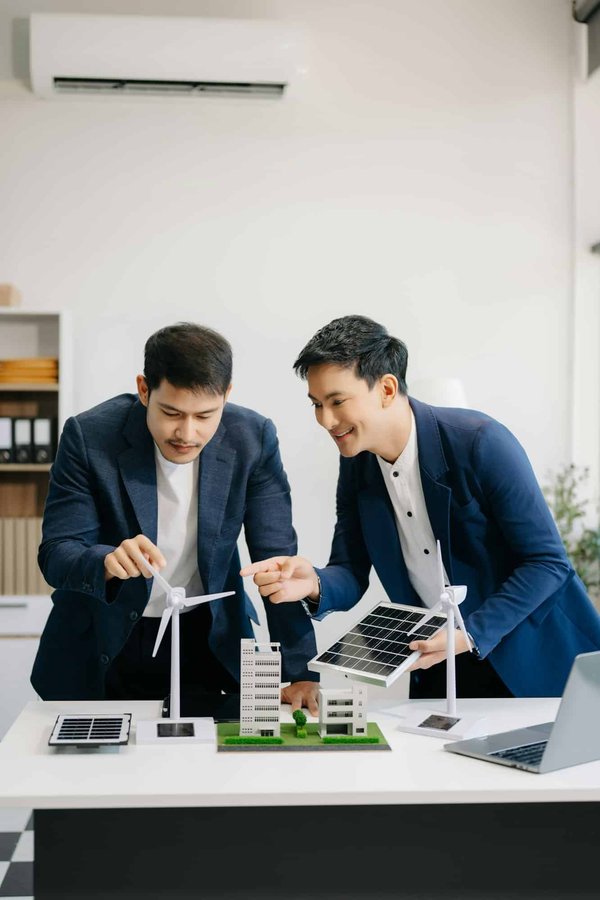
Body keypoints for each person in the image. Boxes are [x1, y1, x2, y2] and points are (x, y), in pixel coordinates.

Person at [242, 315, 600, 698]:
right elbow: (351, 568)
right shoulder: (356, 466)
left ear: (386, 388)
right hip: (437, 662)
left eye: (337, 402)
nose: (325, 420)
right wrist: (313, 583)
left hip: (534, 657)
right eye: (316, 404)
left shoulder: (481, 442)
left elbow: (547, 562)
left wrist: (470, 633)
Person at [32, 322, 318, 712]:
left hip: (209, 636)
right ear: (144, 389)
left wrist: (302, 670)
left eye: (205, 415)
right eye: (171, 412)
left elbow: (279, 565)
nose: (187, 432)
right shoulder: (90, 435)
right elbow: (57, 552)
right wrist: (106, 561)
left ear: (227, 395)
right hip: (105, 638)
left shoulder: (253, 438)